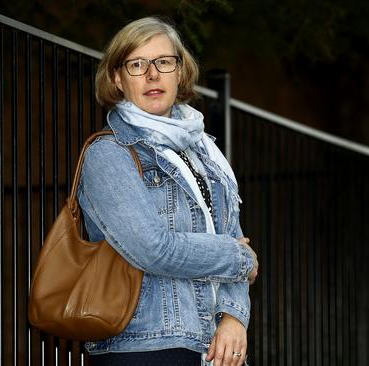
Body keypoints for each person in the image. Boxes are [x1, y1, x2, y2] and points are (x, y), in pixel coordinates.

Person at [79, 16, 258, 366]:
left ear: (180, 72)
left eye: (163, 62)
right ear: (117, 79)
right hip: (145, 347)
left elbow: (233, 234)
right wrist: (239, 259)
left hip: (213, 347)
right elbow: (155, 249)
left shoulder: (205, 152)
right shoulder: (108, 154)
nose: (152, 74)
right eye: (136, 64)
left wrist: (235, 318)